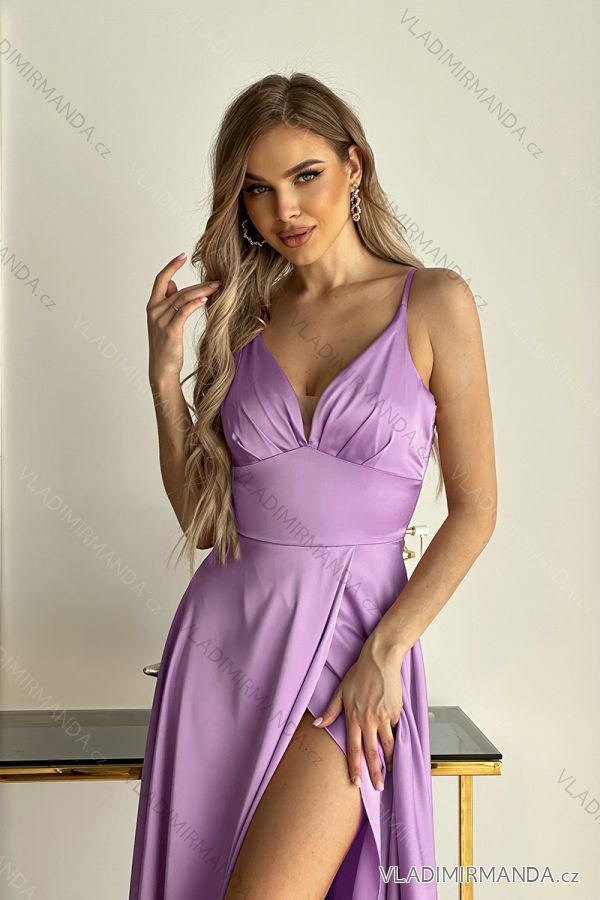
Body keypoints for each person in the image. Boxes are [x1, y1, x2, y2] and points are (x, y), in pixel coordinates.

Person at [128, 72, 497, 900]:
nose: (284, 210)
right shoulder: (242, 321)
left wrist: (388, 651)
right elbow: (204, 521)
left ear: (353, 166)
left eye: (306, 176)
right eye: (257, 189)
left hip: (357, 649)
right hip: (225, 647)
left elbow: (476, 512)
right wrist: (162, 381)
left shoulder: (434, 302)